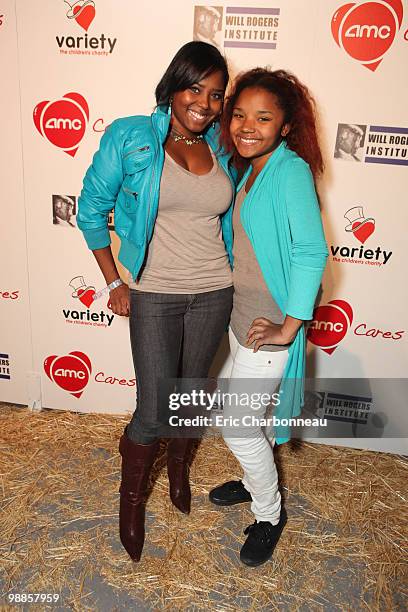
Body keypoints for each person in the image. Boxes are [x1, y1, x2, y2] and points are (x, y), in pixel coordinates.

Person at [77, 41, 235, 562]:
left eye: (216, 95)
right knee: (152, 410)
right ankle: (131, 504)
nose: (205, 103)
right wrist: (113, 282)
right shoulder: (130, 136)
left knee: (189, 401)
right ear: (174, 85)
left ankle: (180, 475)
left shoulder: (222, 144)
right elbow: (91, 210)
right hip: (154, 292)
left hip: (215, 289)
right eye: (195, 88)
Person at [208, 68, 328, 566]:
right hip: (243, 324)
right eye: (239, 114)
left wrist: (289, 326)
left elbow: (311, 251)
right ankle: (257, 476)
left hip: (268, 332)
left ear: (285, 126)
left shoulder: (290, 170)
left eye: (263, 116)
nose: (247, 125)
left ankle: (269, 512)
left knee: (237, 426)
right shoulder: (249, 168)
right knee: (233, 414)